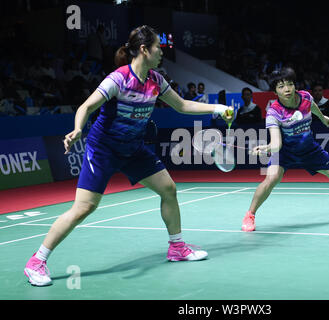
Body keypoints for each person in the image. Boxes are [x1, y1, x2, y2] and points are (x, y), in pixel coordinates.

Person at [24, 25, 233, 286]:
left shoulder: (156, 80)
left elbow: (182, 105)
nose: (161, 53)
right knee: (84, 208)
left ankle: (177, 248)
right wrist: (78, 128)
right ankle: (37, 261)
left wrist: (217, 108)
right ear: (144, 50)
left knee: (168, 188)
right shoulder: (118, 80)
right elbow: (86, 106)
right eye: (158, 47)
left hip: (133, 148)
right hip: (104, 149)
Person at [241, 67, 329, 232]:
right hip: (285, 151)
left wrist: (322, 117)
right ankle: (250, 215)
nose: (287, 89)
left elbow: (313, 106)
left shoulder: (305, 96)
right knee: (271, 179)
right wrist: (267, 147)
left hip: (309, 148)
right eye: (281, 86)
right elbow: (277, 143)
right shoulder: (274, 112)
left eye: (289, 84)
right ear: (275, 91)